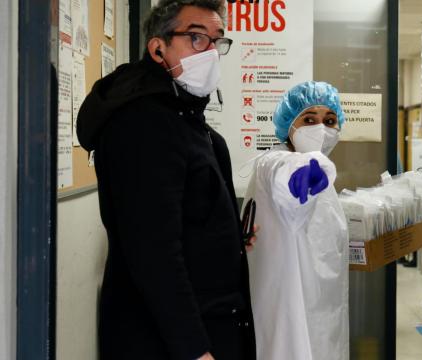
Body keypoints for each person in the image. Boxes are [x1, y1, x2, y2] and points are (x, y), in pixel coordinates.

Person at [76, 1, 256, 359]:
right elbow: (154, 253)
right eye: (196, 38)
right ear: (158, 48)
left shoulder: (188, 123)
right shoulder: (143, 124)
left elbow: (187, 214)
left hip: (208, 325)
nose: (211, 53)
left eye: (217, 41)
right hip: (166, 340)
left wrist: (231, 237)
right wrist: (194, 349)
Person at [244, 81, 349, 360]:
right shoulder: (274, 163)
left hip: (322, 311)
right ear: (289, 125)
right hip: (290, 313)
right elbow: (285, 175)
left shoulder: (325, 182)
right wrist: (298, 177)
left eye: (329, 120)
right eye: (309, 119)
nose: (321, 128)